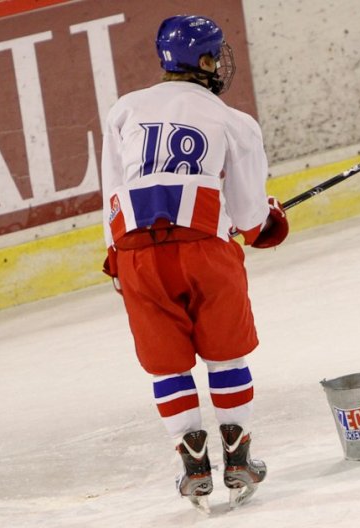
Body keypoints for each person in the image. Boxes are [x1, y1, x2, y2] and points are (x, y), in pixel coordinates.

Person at [100, 14, 289, 509]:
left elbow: (113, 190)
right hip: (205, 250)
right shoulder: (233, 120)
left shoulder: (124, 110)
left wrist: (115, 256)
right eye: (216, 53)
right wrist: (266, 220)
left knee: (167, 365)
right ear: (204, 61)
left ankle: (193, 467)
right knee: (225, 354)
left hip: (136, 252)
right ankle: (240, 459)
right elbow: (249, 214)